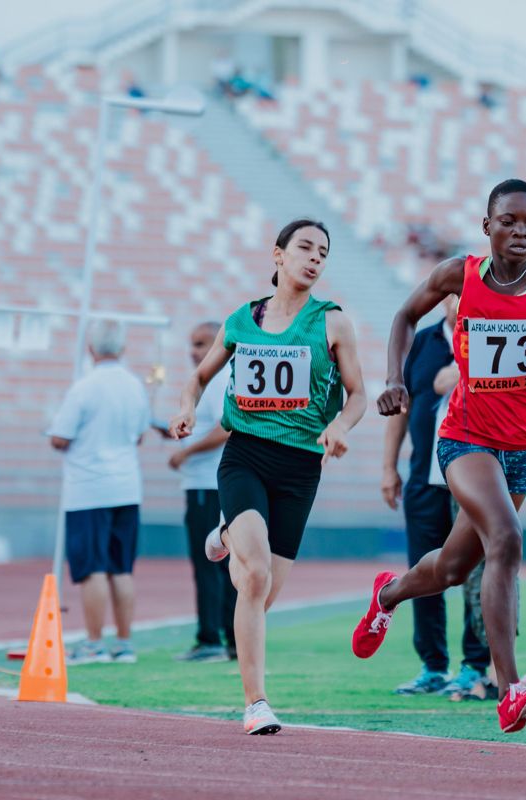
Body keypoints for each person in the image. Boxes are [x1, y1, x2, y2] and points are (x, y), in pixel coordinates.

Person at [352, 179, 526, 734]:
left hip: (524, 448)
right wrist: (394, 379)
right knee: (506, 542)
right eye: (509, 221)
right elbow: (403, 318)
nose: (521, 232)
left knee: (453, 565)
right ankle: (509, 688)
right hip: (466, 438)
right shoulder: (457, 276)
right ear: (486, 225)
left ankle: (386, 595)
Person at [169, 218, 368, 735]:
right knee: (253, 576)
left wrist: (340, 426)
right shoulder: (241, 319)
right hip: (246, 456)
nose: (315, 258)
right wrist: (187, 408)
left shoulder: (333, 322)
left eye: (323, 252)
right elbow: (197, 375)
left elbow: (358, 395)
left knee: (262, 594)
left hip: (301, 468)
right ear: (278, 254)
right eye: (304, 247)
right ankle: (256, 702)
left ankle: (227, 533)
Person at [381, 295, 491, 697]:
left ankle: (476, 666)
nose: (462, 302)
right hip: (423, 476)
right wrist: (388, 466)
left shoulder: (490, 336)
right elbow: (401, 409)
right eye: (455, 294)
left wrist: (461, 376)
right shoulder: (421, 342)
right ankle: (432, 666)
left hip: (474, 478)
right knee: (422, 573)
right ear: (444, 297)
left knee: (474, 573)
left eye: (469, 294)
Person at [48, 320, 151, 666]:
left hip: (88, 488)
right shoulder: (136, 386)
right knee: (121, 568)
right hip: (126, 486)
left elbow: (60, 436)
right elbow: (139, 435)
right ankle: (124, 642)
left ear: (91, 349)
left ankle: (93, 642)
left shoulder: (84, 387)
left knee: (91, 568)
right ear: (122, 349)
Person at [167, 321, 237, 663]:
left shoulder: (218, 379)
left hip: (207, 485)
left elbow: (227, 427)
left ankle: (210, 637)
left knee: (208, 562)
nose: (194, 350)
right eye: (192, 343)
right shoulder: (221, 379)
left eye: (201, 343)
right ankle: (230, 638)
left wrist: (186, 452)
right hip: (214, 482)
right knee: (224, 564)